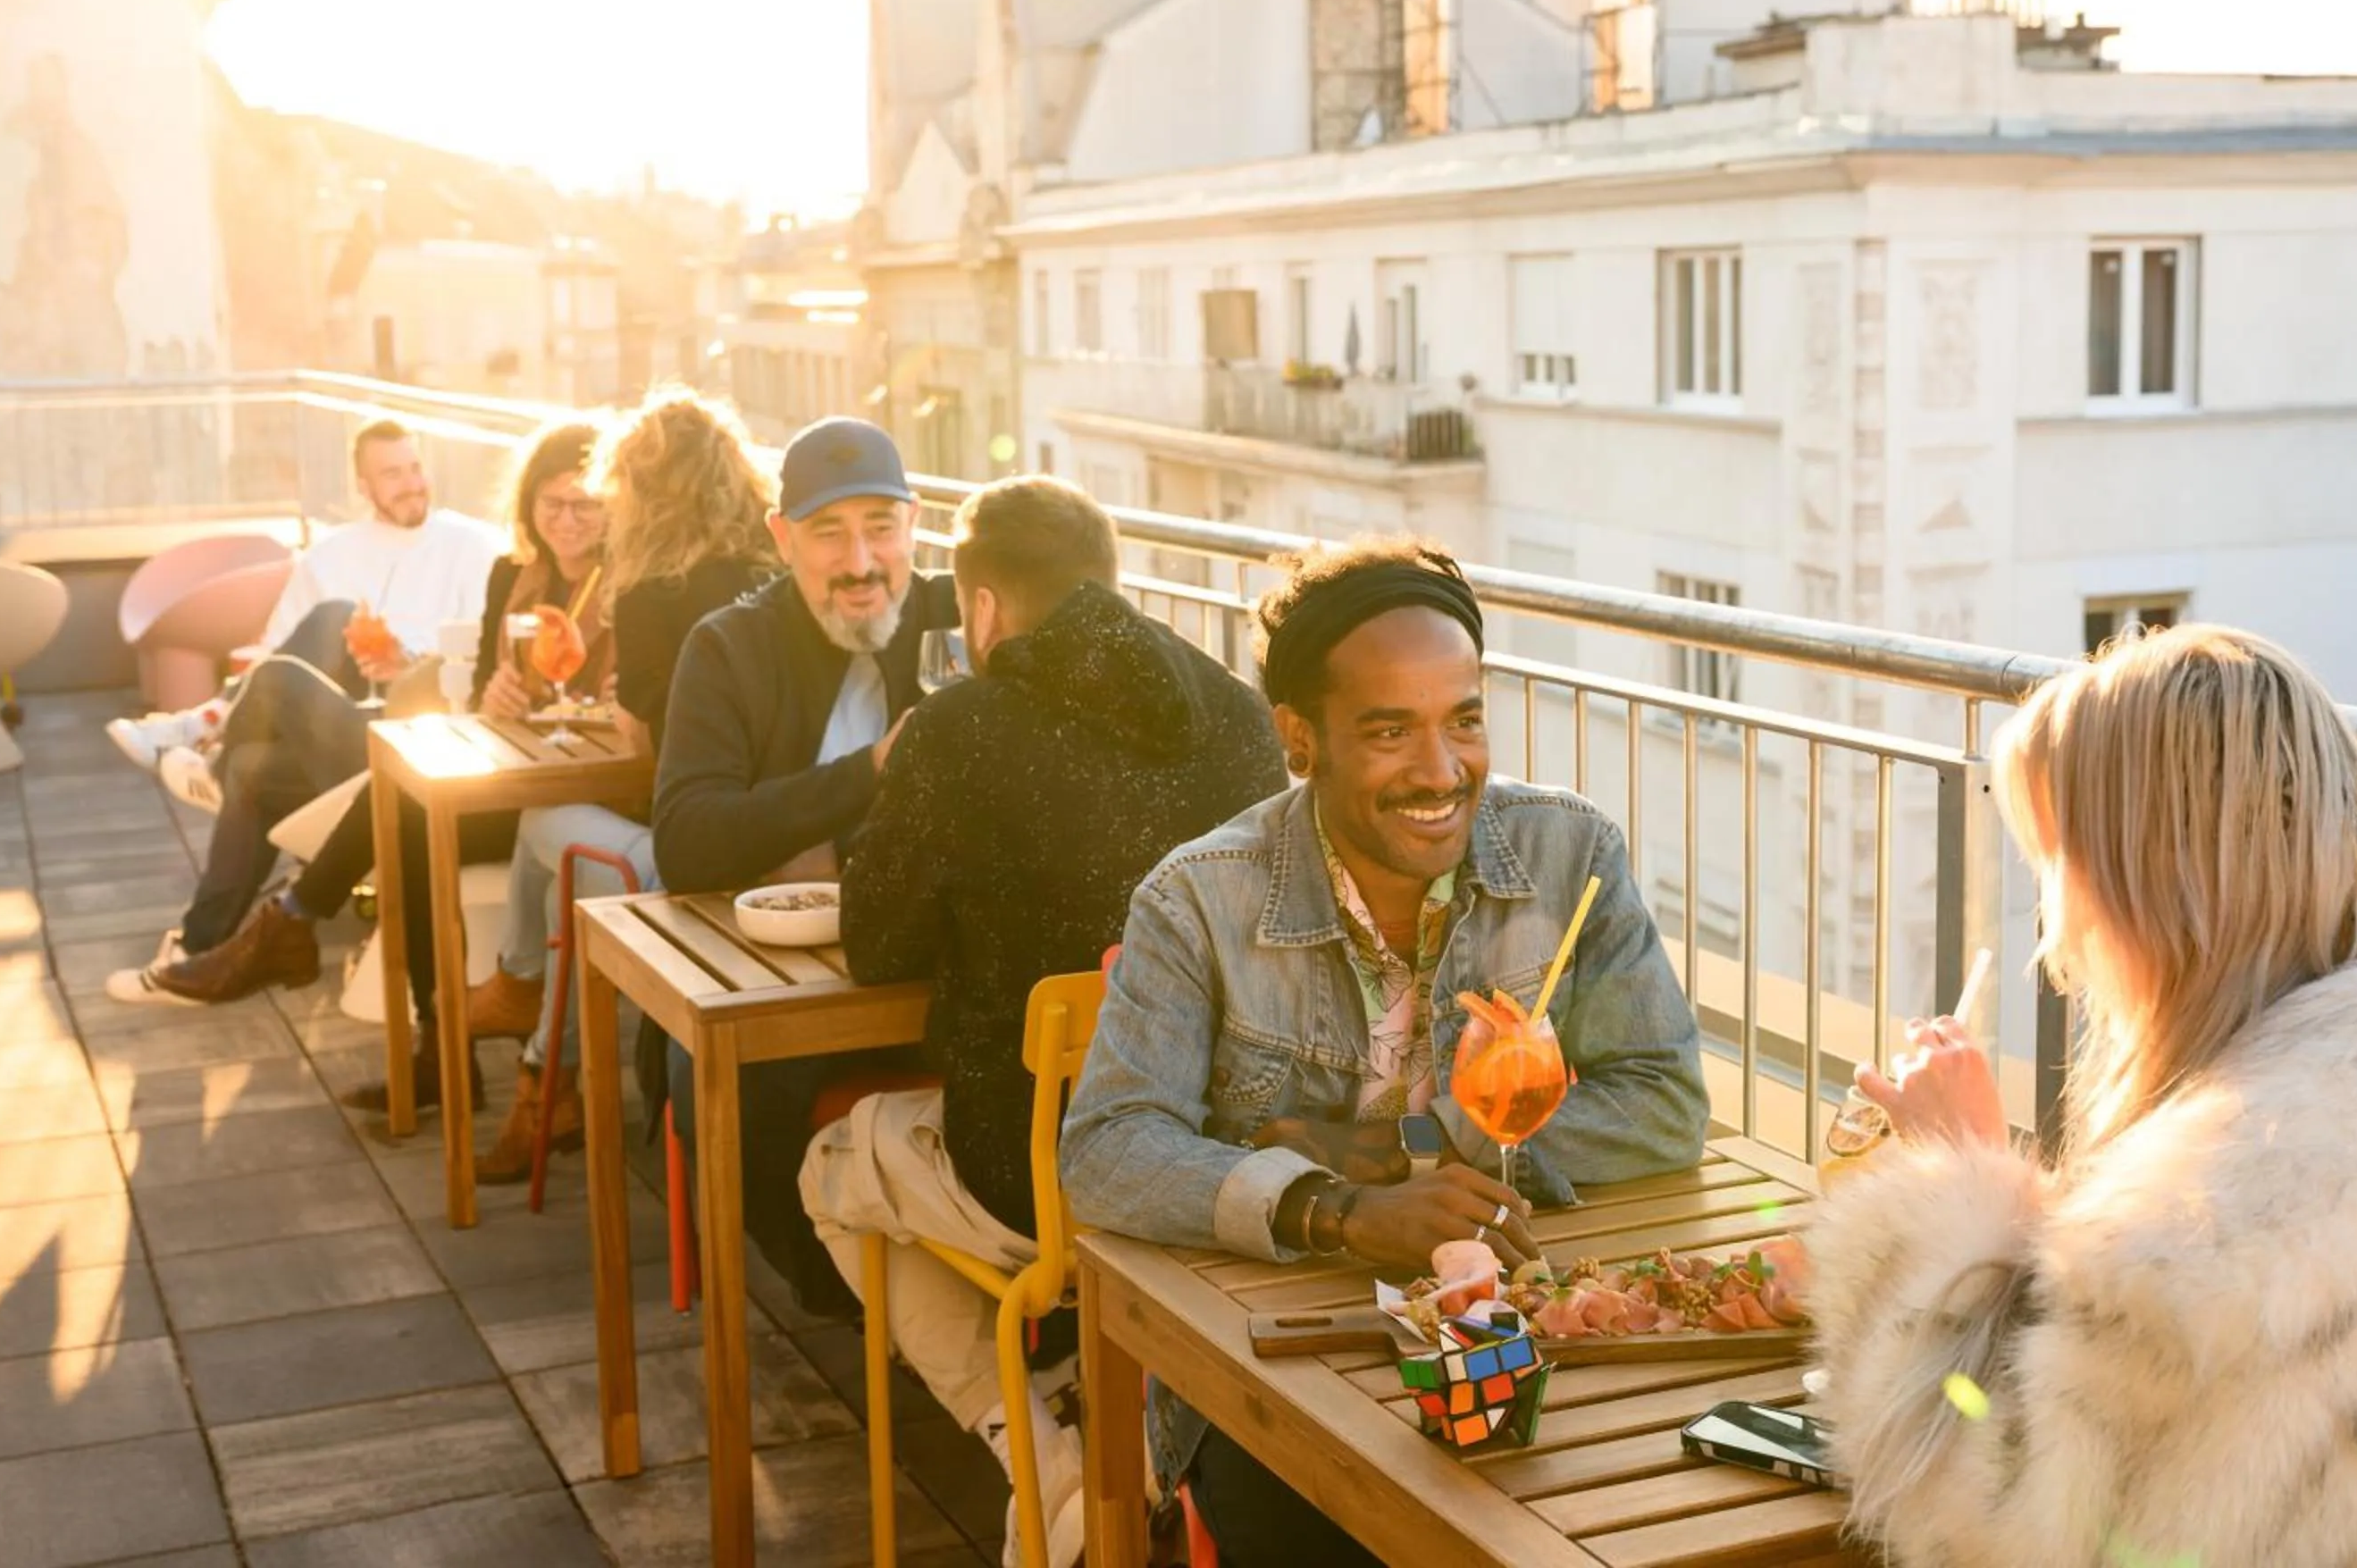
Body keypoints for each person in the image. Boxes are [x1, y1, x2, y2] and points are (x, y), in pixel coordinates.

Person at [1802, 625, 2357, 1567]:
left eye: (2060, 865)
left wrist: (1947, 1197)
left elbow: (2000, 1524)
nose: (2055, 935)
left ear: (2149, 893)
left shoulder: (2215, 1244)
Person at [1058, 537, 1707, 1567]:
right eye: (1390, 730)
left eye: (1465, 719)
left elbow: (1665, 1098)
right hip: (1275, 1357)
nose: (1442, 770)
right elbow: (1105, 1150)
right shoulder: (1197, 896)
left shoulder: (1570, 850)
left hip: (1525, 1323)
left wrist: (1399, 1147)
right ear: (1300, 738)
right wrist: (1341, 1210)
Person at [800, 476, 1286, 1564]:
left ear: (978, 609)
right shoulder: (1240, 711)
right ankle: (1091, 1399)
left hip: (1049, 1177)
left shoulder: (962, 727)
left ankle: (1033, 1441)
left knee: (834, 1167)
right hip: (1232, 1150)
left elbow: (880, 945)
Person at [115, 423, 613, 1057]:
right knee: (261, 758)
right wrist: (492, 691)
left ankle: (278, 919)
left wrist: (417, 668)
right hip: (425, 733)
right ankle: (210, 940)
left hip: (451, 740)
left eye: (585, 505)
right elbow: (489, 679)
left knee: (308, 736)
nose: (566, 520)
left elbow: (473, 673)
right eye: (552, 504)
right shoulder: (514, 577)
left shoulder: (516, 562)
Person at [650, 415, 955, 1315]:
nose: (861, 560)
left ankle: (975, 1296)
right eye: (829, 531)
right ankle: (841, 1297)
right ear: (783, 540)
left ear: (914, 526)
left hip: (920, 960)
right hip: (765, 971)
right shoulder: (728, 645)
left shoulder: (954, 620)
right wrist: (868, 774)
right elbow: (687, 840)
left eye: (881, 525)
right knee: (721, 1076)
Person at [469, 390, 778, 1183]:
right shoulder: (775, 572)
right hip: (786, 852)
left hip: (697, 867)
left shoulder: (649, 591)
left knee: (548, 827)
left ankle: (528, 1019)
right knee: (571, 885)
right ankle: (540, 1064)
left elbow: (649, 744)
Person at [104, 418, 502, 996]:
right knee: (320, 639)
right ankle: (200, 947)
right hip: (333, 730)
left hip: (419, 733)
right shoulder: (333, 554)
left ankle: (203, 733)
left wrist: (407, 663)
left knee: (264, 732)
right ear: (363, 487)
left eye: (416, 468)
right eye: (392, 474)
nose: (412, 484)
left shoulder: (474, 547)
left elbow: (477, 659)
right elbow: (273, 651)